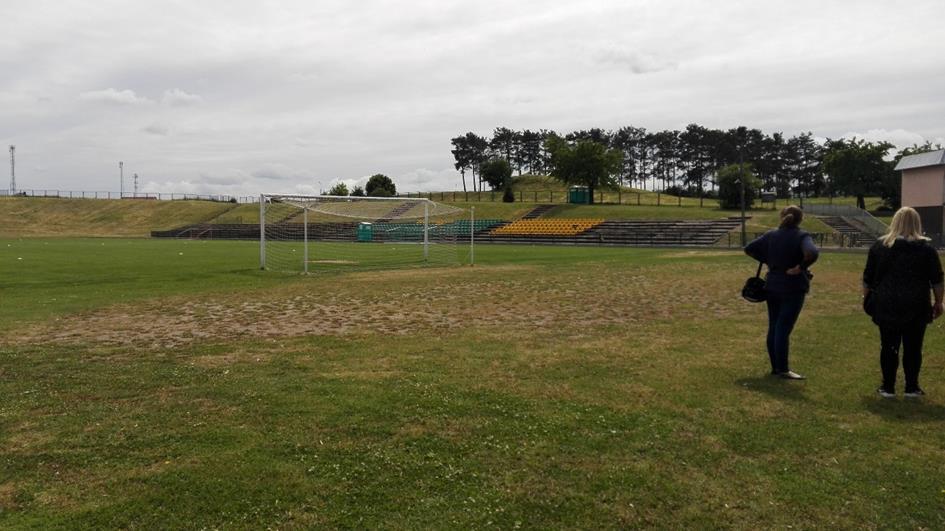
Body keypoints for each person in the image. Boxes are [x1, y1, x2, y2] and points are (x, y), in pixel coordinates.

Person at [862, 207, 943, 398]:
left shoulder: (879, 247)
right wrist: (939, 302)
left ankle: (887, 386)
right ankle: (912, 386)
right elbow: (937, 280)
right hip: (916, 303)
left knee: (889, 345)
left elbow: (868, 277)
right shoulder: (926, 250)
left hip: (886, 301)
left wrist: (866, 298)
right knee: (914, 347)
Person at [745, 205, 819, 379]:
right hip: (793, 287)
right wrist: (800, 267)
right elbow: (812, 253)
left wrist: (769, 260)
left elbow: (749, 248)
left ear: (782, 217)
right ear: (801, 219)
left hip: (772, 285)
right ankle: (783, 369)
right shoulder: (802, 236)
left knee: (774, 326)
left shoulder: (771, 235)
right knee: (783, 328)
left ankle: (776, 367)